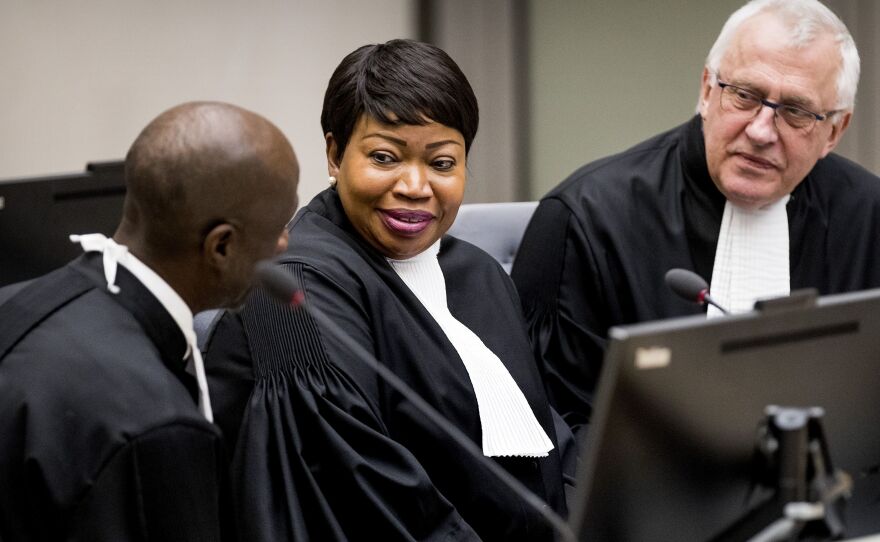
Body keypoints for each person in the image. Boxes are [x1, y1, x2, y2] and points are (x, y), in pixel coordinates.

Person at [204, 39, 568, 541]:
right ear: (334, 154)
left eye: (442, 163)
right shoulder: (296, 290)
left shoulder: (480, 275)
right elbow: (356, 489)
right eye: (384, 157)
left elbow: (546, 438)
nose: (416, 186)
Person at [511, 0, 880, 437]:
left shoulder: (868, 216)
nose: (762, 131)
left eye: (796, 112)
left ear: (834, 131)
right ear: (707, 90)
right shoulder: (586, 219)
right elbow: (554, 432)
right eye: (744, 95)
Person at [0, 101, 299, 541]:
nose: (284, 243)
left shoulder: (12, 302)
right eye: (278, 227)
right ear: (222, 247)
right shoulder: (155, 427)